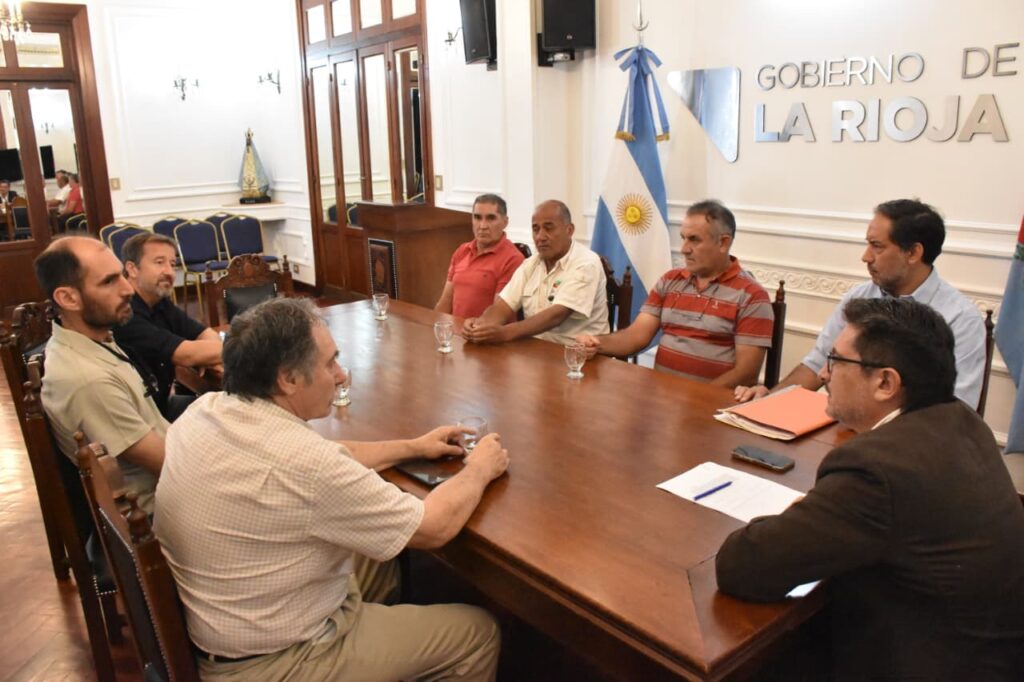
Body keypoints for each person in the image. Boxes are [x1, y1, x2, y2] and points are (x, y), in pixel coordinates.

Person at [154, 298, 508, 681]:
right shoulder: (305, 464)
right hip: (280, 662)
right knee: (478, 632)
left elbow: (329, 457)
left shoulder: (203, 411)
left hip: (230, 625)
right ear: (288, 379)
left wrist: (414, 447)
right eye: (329, 363)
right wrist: (480, 468)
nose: (340, 375)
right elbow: (433, 527)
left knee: (377, 557)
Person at [716, 298, 1024, 680]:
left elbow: (742, 566)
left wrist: (804, 513)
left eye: (835, 360)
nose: (824, 374)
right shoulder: (961, 421)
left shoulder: (877, 470)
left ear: (885, 383)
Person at [734, 199, 985, 407]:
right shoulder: (859, 297)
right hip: (845, 425)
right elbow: (818, 363)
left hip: (910, 441)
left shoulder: (960, 319)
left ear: (913, 253)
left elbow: (957, 408)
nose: (865, 257)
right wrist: (768, 402)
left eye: (877, 246)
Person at [34, 236, 167, 512]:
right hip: (157, 510)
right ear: (68, 298)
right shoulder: (87, 379)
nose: (128, 289)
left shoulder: (95, 338)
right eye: (109, 281)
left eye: (122, 275)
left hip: (167, 484)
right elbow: (170, 465)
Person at [576, 200, 772, 386]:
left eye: (694, 240)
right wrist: (597, 343)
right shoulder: (670, 281)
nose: (684, 249)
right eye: (683, 238)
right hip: (660, 396)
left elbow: (746, 373)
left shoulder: (752, 296)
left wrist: (698, 398)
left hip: (711, 404)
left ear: (723, 242)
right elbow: (636, 336)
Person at [463, 199, 608, 345]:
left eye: (549, 228)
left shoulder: (586, 263)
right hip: (535, 351)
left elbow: (557, 315)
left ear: (569, 230)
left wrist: (504, 333)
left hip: (579, 353)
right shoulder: (531, 264)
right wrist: (480, 327)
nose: (540, 237)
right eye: (536, 229)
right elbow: (503, 306)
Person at [113, 232, 223, 421]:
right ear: (132, 269)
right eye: (159, 262)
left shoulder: (159, 301)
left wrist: (209, 357)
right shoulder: (124, 311)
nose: (170, 272)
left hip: (161, 403)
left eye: (172, 264)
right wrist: (250, 347)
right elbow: (186, 354)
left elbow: (203, 332)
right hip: (142, 418)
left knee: (228, 410)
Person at [434, 193, 525, 319]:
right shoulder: (462, 251)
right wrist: (432, 326)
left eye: (491, 218)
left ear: (505, 222)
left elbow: (497, 316)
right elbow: (444, 303)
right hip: (454, 330)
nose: (482, 226)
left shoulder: (513, 259)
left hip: (485, 330)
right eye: (477, 217)